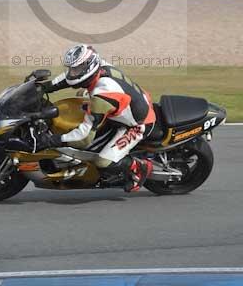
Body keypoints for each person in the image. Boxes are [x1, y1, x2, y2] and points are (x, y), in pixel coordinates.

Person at [34, 44, 155, 192]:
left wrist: (53, 140)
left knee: (103, 161)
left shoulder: (102, 94)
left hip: (138, 124)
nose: (72, 73)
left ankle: (140, 167)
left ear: (88, 67)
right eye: (71, 68)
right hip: (128, 103)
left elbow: (84, 139)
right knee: (82, 99)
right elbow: (68, 79)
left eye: (76, 69)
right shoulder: (99, 65)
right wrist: (42, 87)